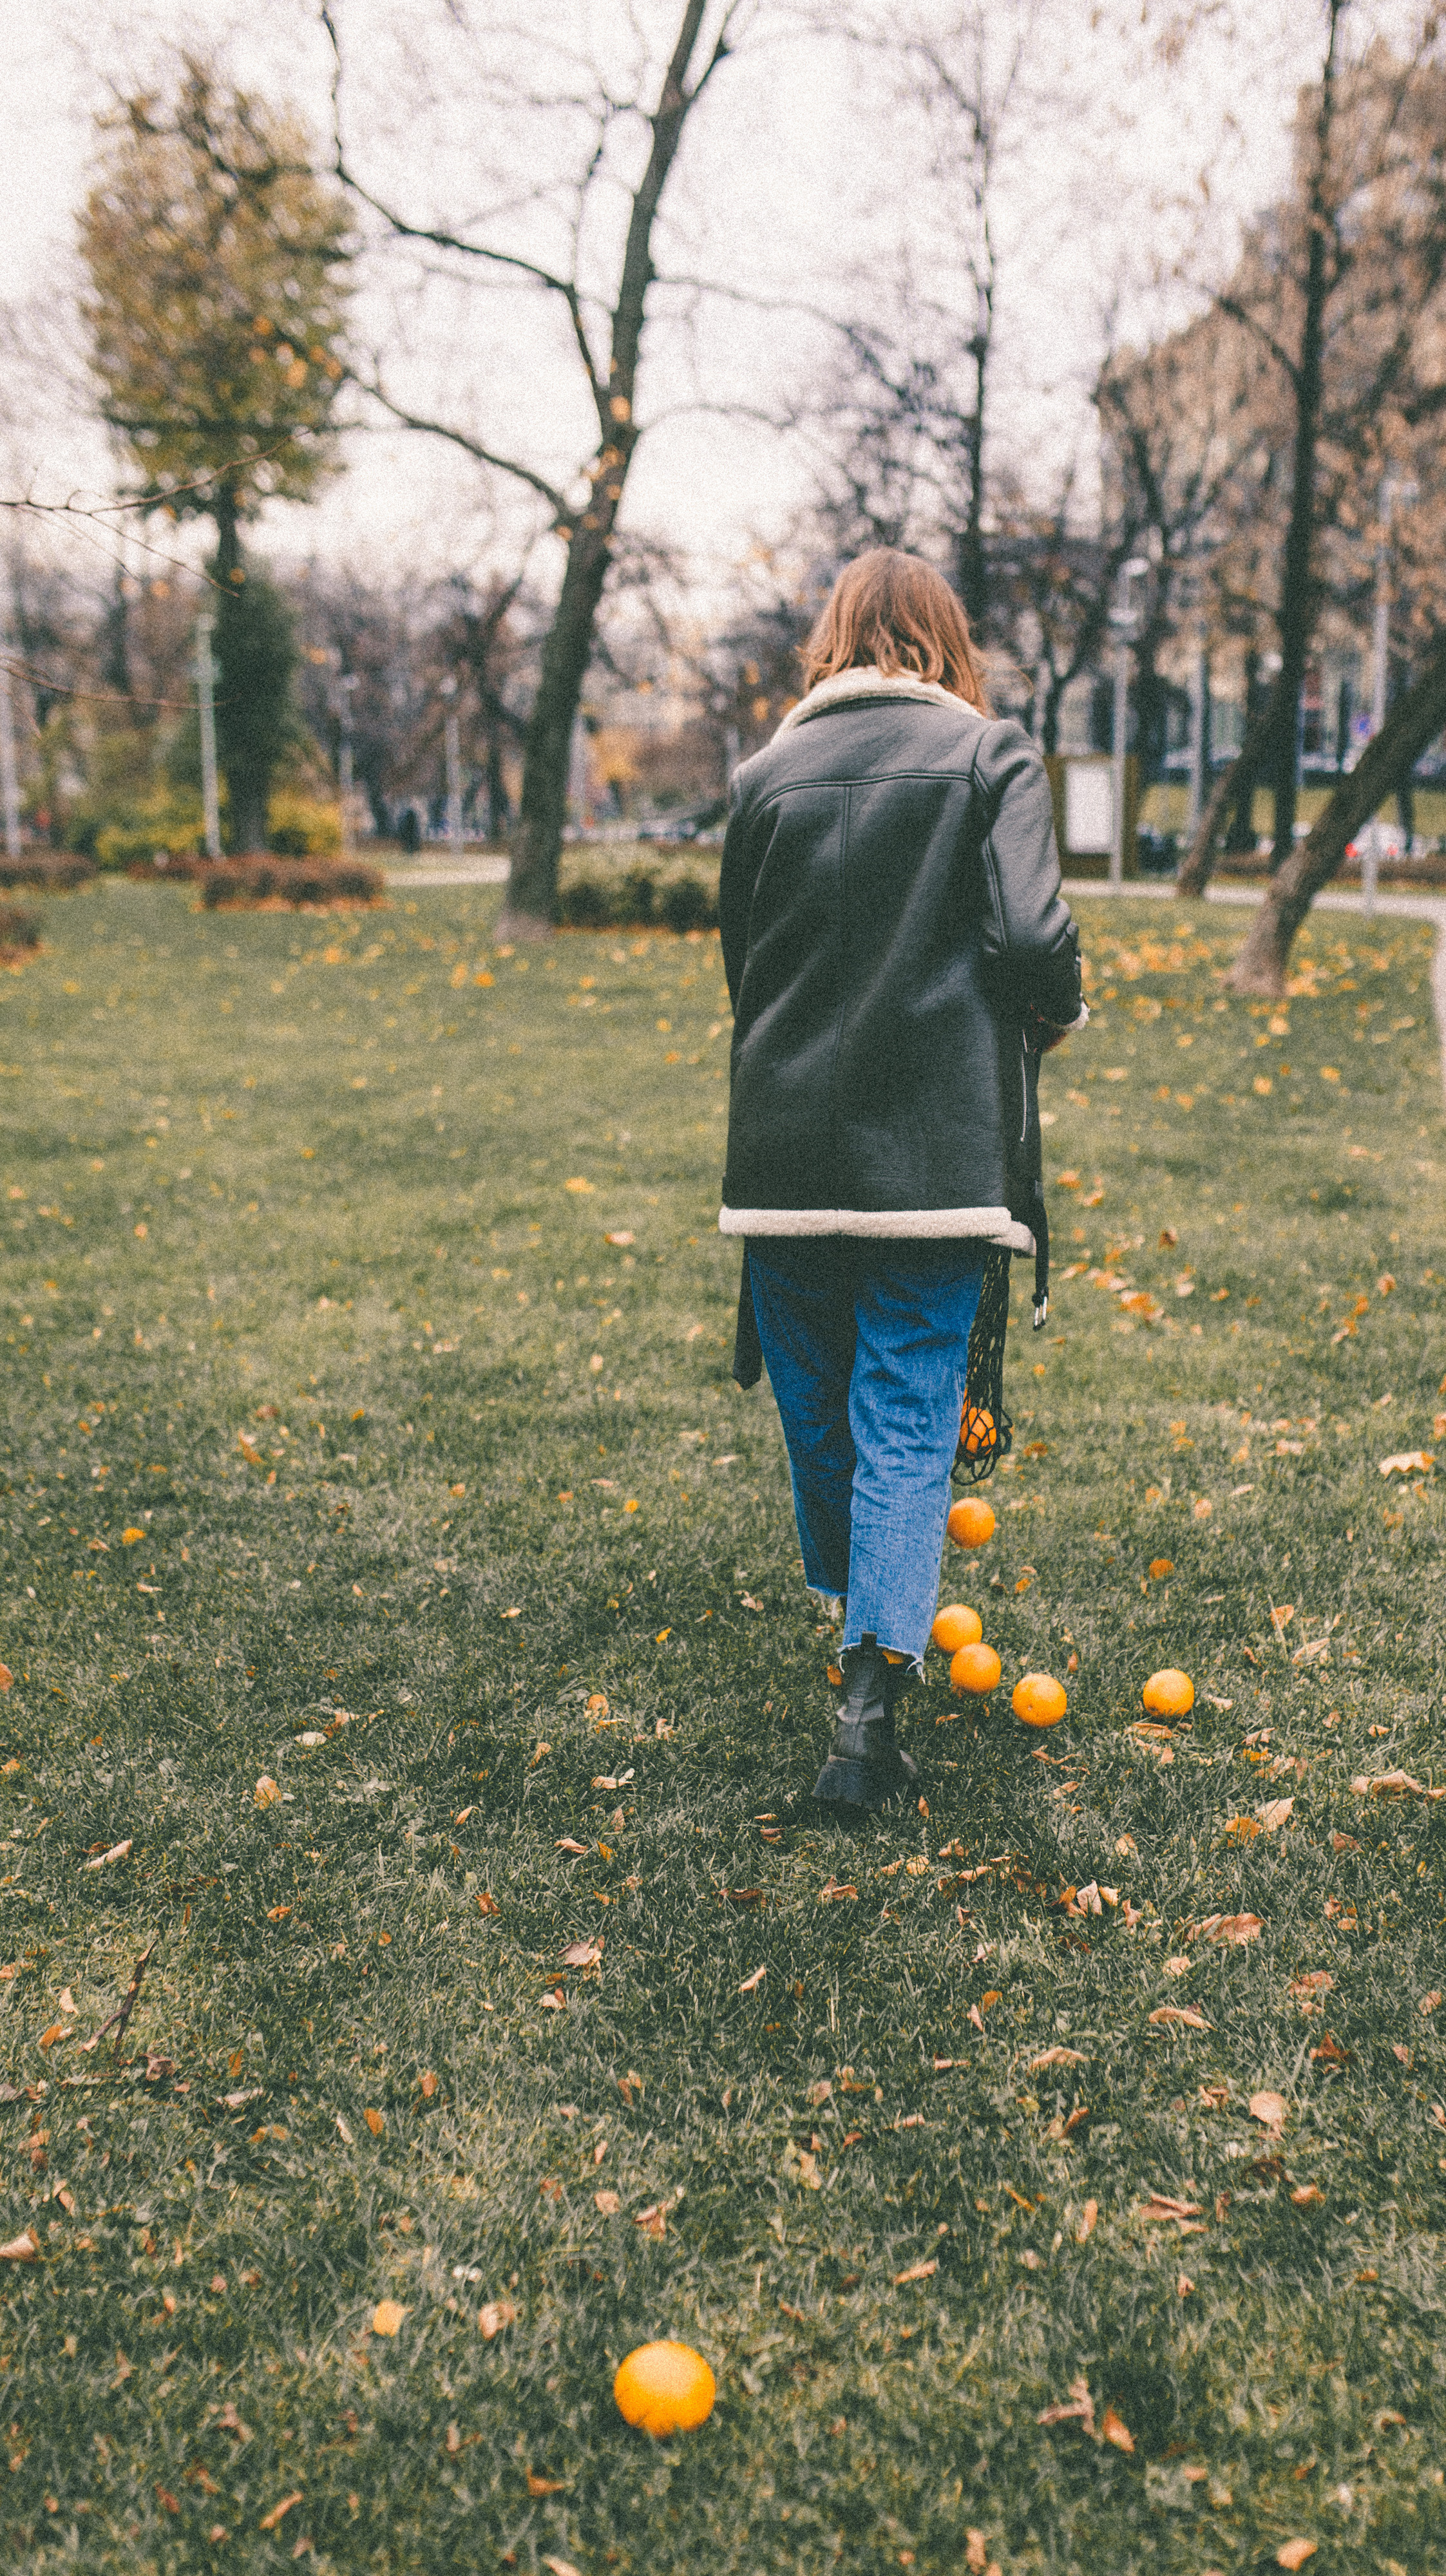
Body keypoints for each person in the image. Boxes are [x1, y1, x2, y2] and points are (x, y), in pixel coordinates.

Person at [718, 549, 1086, 1815]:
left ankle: (859, 1610)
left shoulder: (762, 775)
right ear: (941, 640)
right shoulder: (991, 756)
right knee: (906, 1418)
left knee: (818, 1413)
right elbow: (1035, 935)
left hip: (779, 1150)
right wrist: (1054, 1013)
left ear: (832, 637)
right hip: (932, 1157)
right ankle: (868, 1704)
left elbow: (743, 965)